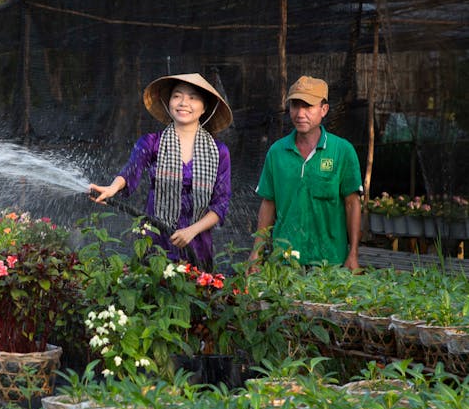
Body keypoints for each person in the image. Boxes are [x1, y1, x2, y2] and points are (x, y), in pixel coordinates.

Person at [89, 73, 233, 269]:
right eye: (177, 96)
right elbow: (131, 171)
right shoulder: (152, 143)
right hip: (156, 239)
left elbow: (220, 205)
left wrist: (191, 231)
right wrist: (112, 188)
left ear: (204, 107)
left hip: (197, 244)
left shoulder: (219, 151)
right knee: (154, 293)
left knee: (194, 295)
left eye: (192, 97)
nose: (183, 103)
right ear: (168, 102)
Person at [247, 75, 362, 270]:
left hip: (330, 260)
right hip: (285, 259)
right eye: (295, 106)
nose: (300, 113)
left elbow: (352, 204)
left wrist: (353, 253)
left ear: (323, 110)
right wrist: (256, 251)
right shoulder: (277, 152)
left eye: (308, 106)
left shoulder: (342, 151)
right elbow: (268, 203)